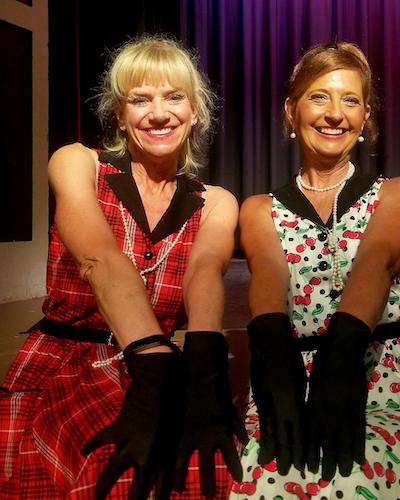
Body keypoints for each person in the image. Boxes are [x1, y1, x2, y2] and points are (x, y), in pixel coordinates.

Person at [232, 42, 400, 498]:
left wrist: (343, 350)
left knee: (358, 478)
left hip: (396, 378)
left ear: (366, 118)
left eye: (350, 100)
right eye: (319, 96)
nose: (335, 113)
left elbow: (375, 261)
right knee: (264, 477)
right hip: (295, 378)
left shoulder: (398, 193)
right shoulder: (260, 209)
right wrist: (274, 354)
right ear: (291, 110)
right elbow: (268, 276)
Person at [0, 34, 247, 499]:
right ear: (119, 114)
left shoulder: (215, 202)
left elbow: (205, 272)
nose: (158, 113)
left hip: (160, 371)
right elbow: (99, 259)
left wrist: (203, 369)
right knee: (120, 476)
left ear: (195, 111)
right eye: (140, 99)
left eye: (174, 97)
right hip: (69, 366)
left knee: (203, 470)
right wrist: (153, 367)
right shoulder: (78, 164)